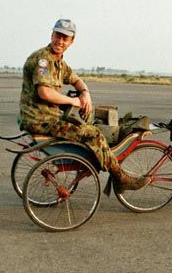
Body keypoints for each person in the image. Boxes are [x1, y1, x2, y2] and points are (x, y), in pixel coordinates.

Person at [19, 18, 149, 192]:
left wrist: (85, 94)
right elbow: (45, 92)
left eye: (65, 38)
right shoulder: (44, 60)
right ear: (52, 35)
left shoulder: (59, 62)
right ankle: (120, 177)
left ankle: (106, 163)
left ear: (71, 42)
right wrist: (74, 101)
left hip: (49, 117)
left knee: (87, 123)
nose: (60, 41)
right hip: (41, 119)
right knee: (93, 134)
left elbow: (76, 80)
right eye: (58, 35)